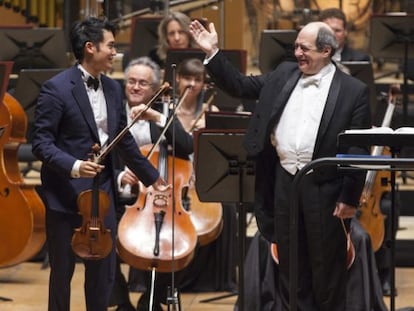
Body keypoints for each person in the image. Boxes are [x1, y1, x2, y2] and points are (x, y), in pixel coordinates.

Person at [189, 20, 371, 310]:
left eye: (304, 48)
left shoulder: (354, 90)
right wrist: (212, 52)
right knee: (289, 265)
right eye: (295, 46)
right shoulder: (284, 74)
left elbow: (358, 148)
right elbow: (240, 85)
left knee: (326, 269)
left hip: (325, 188)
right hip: (283, 183)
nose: (296, 52)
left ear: (326, 50)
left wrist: (349, 198)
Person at [31, 17, 168, 311]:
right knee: (62, 275)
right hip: (65, 194)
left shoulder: (114, 88)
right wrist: (76, 165)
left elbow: (123, 140)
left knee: (102, 277)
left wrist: (152, 177)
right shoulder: (56, 89)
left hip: (101, 196)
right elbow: (41, 143)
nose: (115, 52)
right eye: (111, 45)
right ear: (90, 48)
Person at [109, 56, 194, 311]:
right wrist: (119, 176)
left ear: (154, 88)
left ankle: (152, 299)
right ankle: (121, 300)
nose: (135, 87)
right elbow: (98, 153)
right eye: (131, 82)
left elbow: (187, 146)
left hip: (154, 197)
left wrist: (157, 117)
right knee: (101, 237)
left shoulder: (163, 112)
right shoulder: (112, 111)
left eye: (143, 83)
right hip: (117, 193)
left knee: (169, 238)